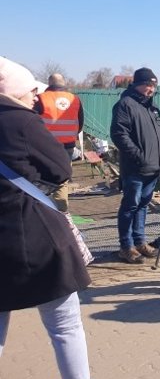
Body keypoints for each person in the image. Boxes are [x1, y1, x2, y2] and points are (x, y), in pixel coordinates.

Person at [0, 57, 91, 379]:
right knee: (65, 326)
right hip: (36, 237)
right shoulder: (21, 121)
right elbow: (61, 168)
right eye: (30, 92)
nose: (36, 98)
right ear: (13, 93)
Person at [110, 68, 160, 264]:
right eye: (147, 85)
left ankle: (140, 241)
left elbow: (159, 136)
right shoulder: (125, 105)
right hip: (135, 167)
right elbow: (119, 134)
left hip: (153, 167)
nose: (151, 89)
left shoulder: (152, 107)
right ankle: (126, 246)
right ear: (136, 84)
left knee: (143, 205)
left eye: (153, 86)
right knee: (130, 205)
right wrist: (138, 156)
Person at [34, 73, 84, 212]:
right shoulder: (75, 99)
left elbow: (32, 123)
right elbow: (80, 124)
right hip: (67, 147)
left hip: (45, 146)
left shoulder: (40, 99)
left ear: (49, 84)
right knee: (62, 181)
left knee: (42, 179)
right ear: (64, 83)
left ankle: (44, 212)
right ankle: (62, 213)